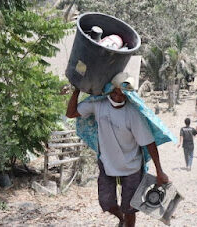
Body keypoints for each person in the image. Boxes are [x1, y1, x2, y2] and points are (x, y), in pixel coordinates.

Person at [66, 73, 172, 227]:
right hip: (107, 162)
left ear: (129, 94)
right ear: (110, 91)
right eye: (115, 92)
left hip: (132, 166)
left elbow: (149, 143)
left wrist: (160, 171)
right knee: (106, 202)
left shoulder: (133, 114)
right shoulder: (98, 105)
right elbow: (71, 114)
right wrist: (77, 90)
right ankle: (121, 218)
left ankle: (127, 220)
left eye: (123, 93)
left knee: (130, 208)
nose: (118, 96)